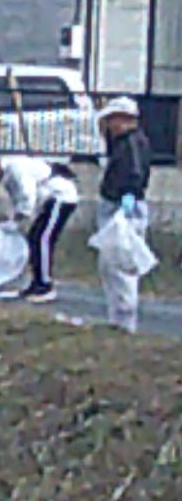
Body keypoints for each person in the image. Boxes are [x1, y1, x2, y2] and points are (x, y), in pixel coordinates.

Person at [0, 154, 80, 303]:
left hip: (61, 197)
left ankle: (45, 286)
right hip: (48, 201)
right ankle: (37, 281)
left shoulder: (16, 169)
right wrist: (16, 218)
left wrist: (22, 216)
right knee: (34, 238)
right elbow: (17, 199)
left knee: (43, 239)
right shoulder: (7, 175)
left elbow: (28, 194)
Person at [96, 95, 154, 331]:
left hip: (122, 207)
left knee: (121, 264)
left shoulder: (130, 145)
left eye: (112, 119)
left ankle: (124, 319)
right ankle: (118, 317)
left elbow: (134, 178)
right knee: (113, 263)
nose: (109, 125)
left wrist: (126, 208)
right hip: (120, 205)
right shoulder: (127, 143)